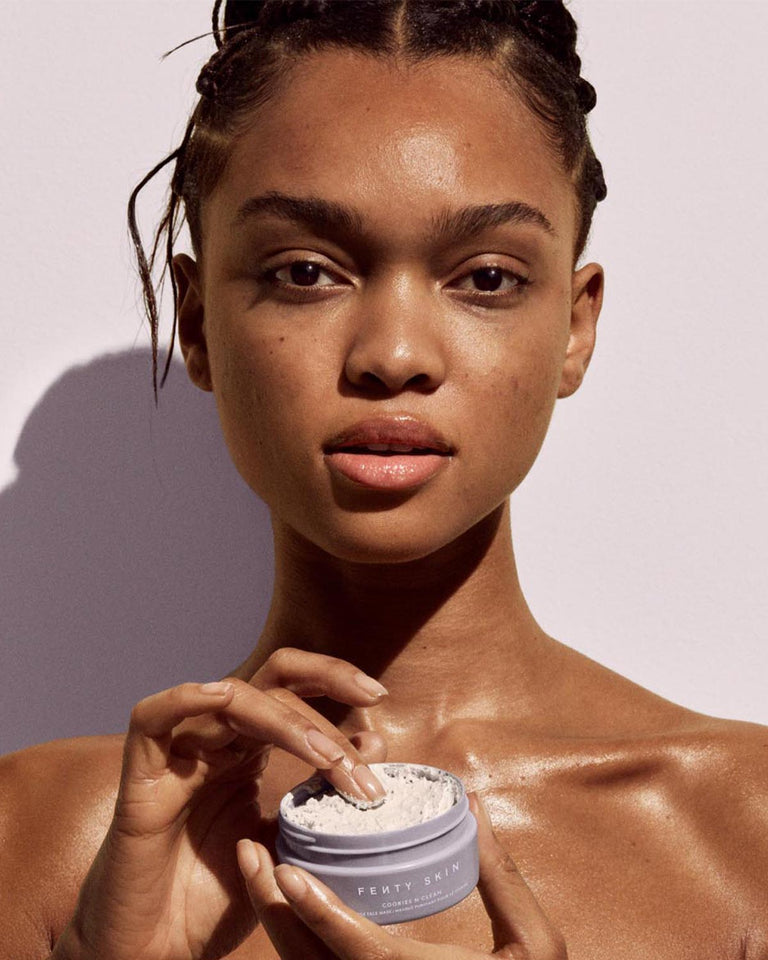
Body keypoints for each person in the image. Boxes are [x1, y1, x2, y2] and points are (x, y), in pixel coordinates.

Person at [2, 1, 766, 958]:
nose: (393, 354)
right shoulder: (45, 840)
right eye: (305, 272)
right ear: (197, 324)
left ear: (575, 326)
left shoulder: (745, 836)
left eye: (486, 278)